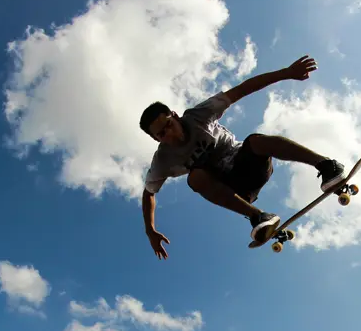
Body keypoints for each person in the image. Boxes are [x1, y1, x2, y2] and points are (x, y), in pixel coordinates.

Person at [138, 55, 348, 259]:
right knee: (195, 178)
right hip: (234, 189)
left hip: (248, 166)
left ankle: (327, 166)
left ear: (174, 115)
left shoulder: (198, 115)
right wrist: (150, 231)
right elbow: (149, 193)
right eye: (162, 134)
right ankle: (258, 216)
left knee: (255, 141)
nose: (171, 134)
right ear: (156, 139)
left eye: (169, 125)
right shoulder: (163, 160)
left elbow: (242, 90)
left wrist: (286, 73)